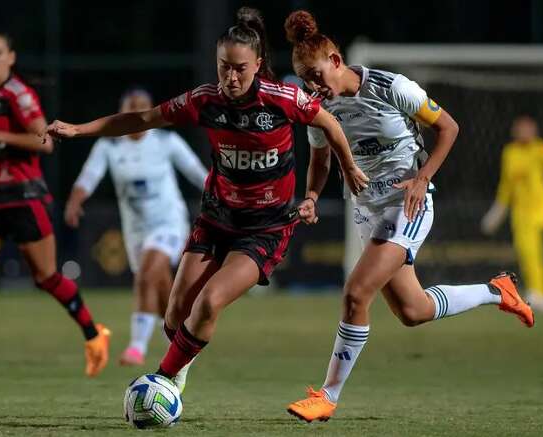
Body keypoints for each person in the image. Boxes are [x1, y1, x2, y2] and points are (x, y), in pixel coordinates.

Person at [45, 7, 368, 393]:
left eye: (240, 68)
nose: (231, 77)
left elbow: (329, 123)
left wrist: (346, 169)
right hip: (216, 219)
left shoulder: (281, 98)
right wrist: (78, 129)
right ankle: (177, 369)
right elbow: (143, 119)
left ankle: (163, 383)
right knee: (176, 313)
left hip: (265, 228)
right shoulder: (204, 100)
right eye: (223, 67)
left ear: (258, 64)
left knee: (210, 302)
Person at [283, 10, 535, 422]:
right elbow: (321, 159)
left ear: (335, 60)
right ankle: (497, 291)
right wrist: (311, 195)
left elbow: (449, 127)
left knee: (355, 293)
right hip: (367, 209)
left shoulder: (390, 86)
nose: (313, 85)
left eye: (316, 74)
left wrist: (422, 178)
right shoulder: (315, 105)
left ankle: (327, 396)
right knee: (413, 311)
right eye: (305, 79)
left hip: (408, 204)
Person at [0, 32, 110, 378]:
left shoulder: (18, 94)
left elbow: (44, 142)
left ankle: (93, 334)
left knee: (46, 278)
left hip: (24, 197)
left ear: (10, 58)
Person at [65, 87, 208, 368]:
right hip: (135, 231)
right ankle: (179, 341)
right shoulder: (109, 145)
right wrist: (75, 200)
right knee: (162, 285)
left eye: (141, 107)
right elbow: (89, 176)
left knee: (146, 272)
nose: (136, 112)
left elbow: (196, 172)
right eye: (130, 107)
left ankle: (136, 348)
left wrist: (221, 197)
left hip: (169, 221)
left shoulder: (166, 141)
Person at [481, 115, 543, 312]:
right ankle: (538, 292)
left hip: (541, 208)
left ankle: (539, 292)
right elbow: (506, 186)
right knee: (526, 251)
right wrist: (497, 212)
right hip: (520, 212)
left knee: (531, 250)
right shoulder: (510, 152)